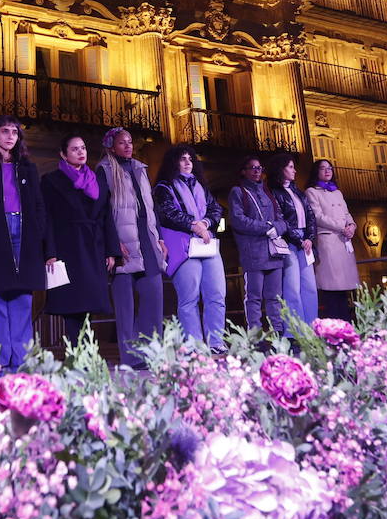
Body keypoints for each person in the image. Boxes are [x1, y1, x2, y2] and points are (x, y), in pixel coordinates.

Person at [0, 116, 55, 371]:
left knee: (22, 295)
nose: (10, 136)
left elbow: (38, 204)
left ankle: (22, 357)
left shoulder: (28, 167)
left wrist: (36, 231)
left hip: (24, 231)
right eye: (5, 131)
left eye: (14, 132)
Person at [95, 127, 165, 368]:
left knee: (153, 300)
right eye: (122, 143)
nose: (128, 146)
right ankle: (132, 359)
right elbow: (102, 212)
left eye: (129, 142)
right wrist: (112, 244)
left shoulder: (140, 169)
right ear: (111, 146)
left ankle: (153, 354)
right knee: (125, 308)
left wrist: (161, 239)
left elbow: (151, 208)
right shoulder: (104, 170)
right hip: (122, 245)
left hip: (147, 241)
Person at [42, 133, 119, 346]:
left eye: (83, 148)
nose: (80, 152)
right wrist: (49, 252)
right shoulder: (51, 181)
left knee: (90, 303)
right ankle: (76, 353)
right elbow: (46, 218)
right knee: (71, 304)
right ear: (63, 154)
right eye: (74, 149)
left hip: (94, 248)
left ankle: (86, 353)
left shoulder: (98, 182)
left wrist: (111, 251)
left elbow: (106, 217)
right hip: (67, 247)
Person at [152, 145, 226, 352]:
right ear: (173, 162)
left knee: (216, 295)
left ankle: (216, 342)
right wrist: (195, 225)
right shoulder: (163, 188)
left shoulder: (201, 186)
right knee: (189, 298)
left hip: (206, 244)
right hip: (183, 248)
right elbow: (168, 214)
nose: (187, 162)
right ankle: (193, 346)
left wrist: (206, 224)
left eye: (190, 159)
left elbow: (216, 209)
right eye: (182, 159)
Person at [228, 155, 290, 336]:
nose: (257, 171)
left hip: (273, 252)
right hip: (253, 252)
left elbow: (281, 219)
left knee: (274, 297)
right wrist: (266, 228)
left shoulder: (267, 192)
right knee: (254, 297)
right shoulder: (238, 192)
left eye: (259, 168)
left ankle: (277, 332)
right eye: (252, 168)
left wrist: (276, 228)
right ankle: (255, 335)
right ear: (244, 171)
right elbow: (238, 220)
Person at [306, 159, 361, 321]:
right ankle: (334, 326)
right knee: (331, 287)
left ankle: (347, 323)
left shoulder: (337, 192)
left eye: (329, 168)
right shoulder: (312, 192)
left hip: (343, 241)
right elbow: (317, 216)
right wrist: (340, 226)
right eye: (323, 168)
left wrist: (352, 225)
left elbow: (346, 213)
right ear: (316, 171)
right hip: (328, 241)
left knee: (344, 289)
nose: (327, 171)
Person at [267, 154, 318, 327]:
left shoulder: (298, 191)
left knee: (310, 287)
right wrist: (299, 240)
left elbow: (311, 216)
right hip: (289, 244)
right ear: (281, 169)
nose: (294, 170)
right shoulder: (274, 193)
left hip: (305, 243)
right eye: (290, 167)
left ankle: (312, 327)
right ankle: (295, 331)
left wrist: (309, 238)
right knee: (292, 288)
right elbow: (282, 221)